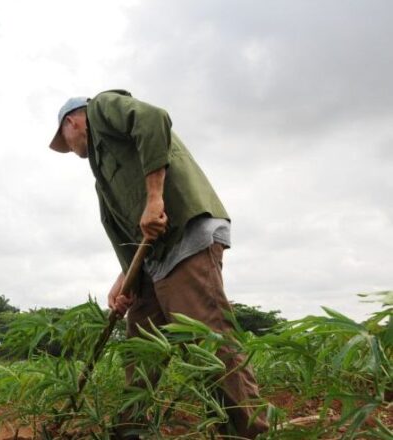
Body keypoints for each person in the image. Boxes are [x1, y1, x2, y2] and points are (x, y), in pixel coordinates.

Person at [48, 90, 269, 439]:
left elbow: (153, 119)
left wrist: (155, 198)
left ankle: (245, 432)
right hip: (155, 259)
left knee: (208, 341)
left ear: (72, 122)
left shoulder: (103, 109)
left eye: (65, 140)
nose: (69, 148)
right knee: (142, 344)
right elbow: (133, 229)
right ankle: (129, 430)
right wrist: (126, 281)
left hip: (184, 238)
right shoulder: (102, 171)